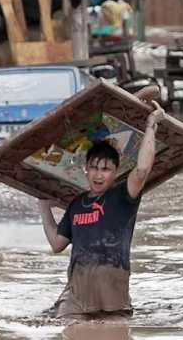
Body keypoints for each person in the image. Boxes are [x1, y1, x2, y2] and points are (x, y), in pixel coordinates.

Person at [39, 103, 165, 319]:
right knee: (66, 332)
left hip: (112, 288)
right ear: (86, 168)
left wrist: (151, 126)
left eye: (105, 169)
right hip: (77, 289)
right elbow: (57, 244)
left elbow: (143, 169)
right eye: (94, 168)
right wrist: (43, 207)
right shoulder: (76, 204)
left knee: (113, 339)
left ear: (116, 172)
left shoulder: (123, 196)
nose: (98, 175)